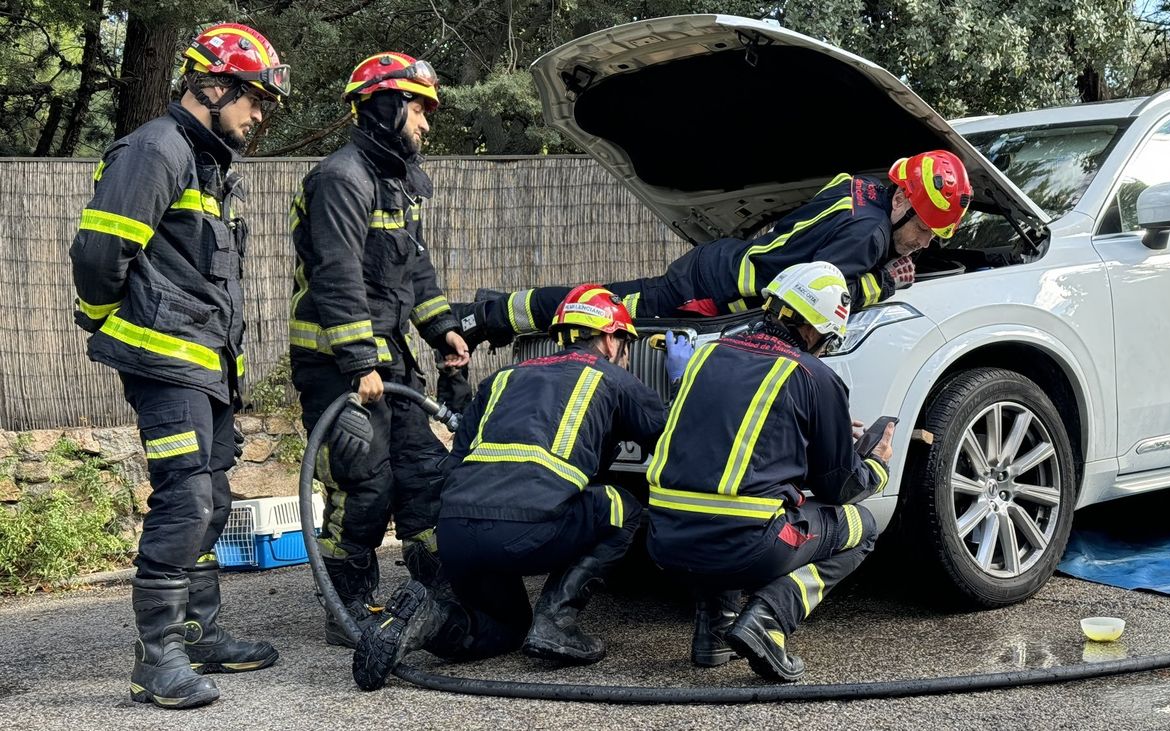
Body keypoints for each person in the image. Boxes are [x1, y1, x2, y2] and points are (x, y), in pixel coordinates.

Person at [68, 23, 289, 709]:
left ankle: (198, 631)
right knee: (185, 496)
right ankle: (155, 655)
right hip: (164, 363)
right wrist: (111, 321)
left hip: (205, 367)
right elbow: (99, 257)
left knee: (211, 499)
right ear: (213, 84)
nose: (258, 115)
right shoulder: (155, 149)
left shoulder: (208, 163)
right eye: (253, 98)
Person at [351, 285, 669, 690]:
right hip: (526, 532)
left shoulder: (502, 378)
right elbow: (671, 438)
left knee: (503, 629)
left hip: (456, 533)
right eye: (626, 344)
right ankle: (556, 621)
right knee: (623, 506)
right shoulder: (611, 377)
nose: (625, 354)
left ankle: (427, 621)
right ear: (610, 338)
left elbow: (457, 459)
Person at [287, 52, 469, 648]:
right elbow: (338, 275)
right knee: (362, 479)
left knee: (421, 469)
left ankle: (439, 590)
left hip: (388, 358)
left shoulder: (394, 184)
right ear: (386, 105)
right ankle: (348, 602)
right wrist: (359, 362)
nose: (425, 123)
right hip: (337, 362)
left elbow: (413, 268)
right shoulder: (342, 178)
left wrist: (441, 327)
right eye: (419, 108)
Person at [645, 261, 895, 682]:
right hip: (749, 546)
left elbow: (726, 436)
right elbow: (839, 486)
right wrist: (876, 464)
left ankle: (715, 633)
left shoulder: (704, 356)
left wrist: (803, 431)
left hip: (665, 541)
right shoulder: (813, 375)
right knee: (862, 526)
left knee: (724, 501)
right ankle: (770, 619)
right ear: (815, 329)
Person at [454, 151, 972, 350]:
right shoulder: (873, 237)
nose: (928, 242)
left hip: (721, 263)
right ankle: (486, 315)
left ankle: (493, 310)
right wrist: (887, 280)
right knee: (600, 311)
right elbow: (820, 300)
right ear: (904, 199)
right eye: (927, 227)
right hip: (709, 292)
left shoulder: (862, 190)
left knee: (608, 302)